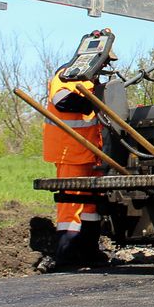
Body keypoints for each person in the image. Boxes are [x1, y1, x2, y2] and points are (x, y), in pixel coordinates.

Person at [42, 66, 107, 267]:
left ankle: (89, 252)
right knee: (70, 205)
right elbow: (63, 101)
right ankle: (66, 254)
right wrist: (92, 103)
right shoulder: (67, 75)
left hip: (91, 153)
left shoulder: (92, 81)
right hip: (69, 151)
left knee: (90, 206)